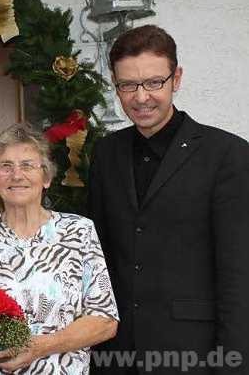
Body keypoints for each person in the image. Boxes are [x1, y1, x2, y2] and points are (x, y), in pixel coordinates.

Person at [88, 25, 249, 374]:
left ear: (176, 79)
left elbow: (239, 275)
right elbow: (100, 258)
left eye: (153, 83)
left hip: (196, 355)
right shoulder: (105, 153)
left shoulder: (227, 154)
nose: (141, 97)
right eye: (128, 85)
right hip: (116, 355)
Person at [0, 123, 119, 374]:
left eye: (28, 165)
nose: (17, 175)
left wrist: (40, 347)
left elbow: (105, 321)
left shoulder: (78, 231)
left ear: (47, 178)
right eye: (6, 166)